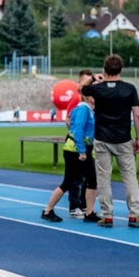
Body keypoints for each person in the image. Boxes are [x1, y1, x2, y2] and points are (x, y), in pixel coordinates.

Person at [81, 54, 139, 228]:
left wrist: (92, 78)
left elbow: (80, 88)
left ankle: (107, 216)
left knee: (103, 178)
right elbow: (137, 114)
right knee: (130, 178)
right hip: (123, 138)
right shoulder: (129, 89)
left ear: (104, 70)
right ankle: (134, 215)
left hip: (102, 139)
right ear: (121, 69)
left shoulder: (98, 88)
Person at [40, 85, 99, 223]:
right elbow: (78, 129)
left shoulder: (87, 109)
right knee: (70, 182)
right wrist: (82, 151)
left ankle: (89, 212)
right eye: (94, 96)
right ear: (86, 97)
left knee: (90, 180)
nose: (96, 99)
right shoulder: (83, 109)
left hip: (81, 148)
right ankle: (48, 210)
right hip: (76, 150)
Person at [65, 69, 95, 217]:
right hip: (77, 143)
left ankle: (84, 205)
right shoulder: (77, 101)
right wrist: (78, 136)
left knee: (88, 176)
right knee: (75, 177)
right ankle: (74, 205)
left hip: (88, 144)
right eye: (86, 81)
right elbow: (69, 121)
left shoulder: (93, 100)